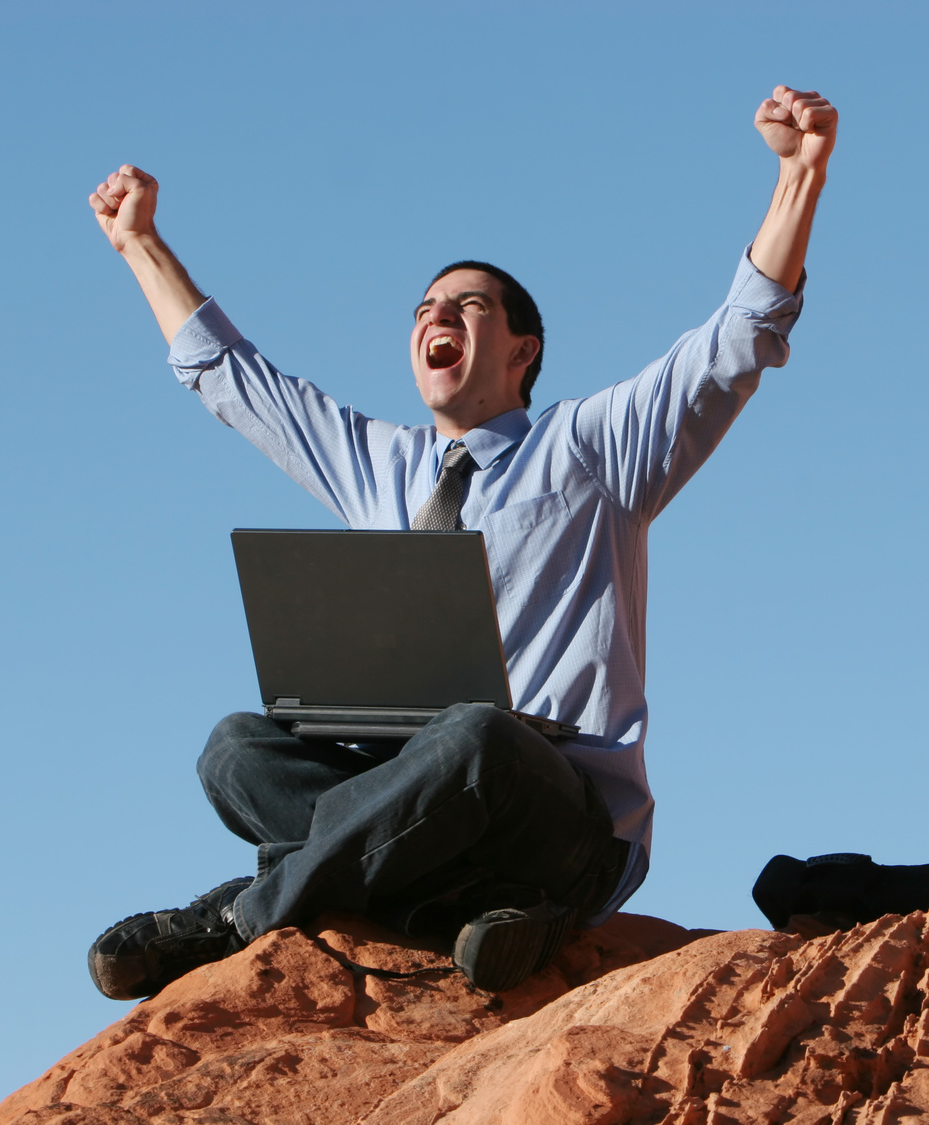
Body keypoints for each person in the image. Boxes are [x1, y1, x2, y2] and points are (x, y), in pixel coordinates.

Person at [84, 85, 837, 998]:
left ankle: (247, 910)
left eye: (468, 305)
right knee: (235, 747)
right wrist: (139, 243)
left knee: (475, 732)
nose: (435, 316)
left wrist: (799, 175)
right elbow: (233, 378)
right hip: (419, 801)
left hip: (557, 819)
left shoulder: (592, 448)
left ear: (523, 351)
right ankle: (463, 909)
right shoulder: (378, 465)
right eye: (424, 307)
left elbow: (736, 340)